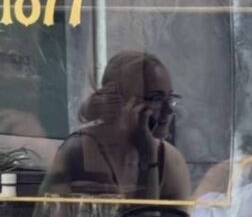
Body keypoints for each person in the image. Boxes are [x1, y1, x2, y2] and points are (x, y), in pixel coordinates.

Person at [39, 51, 192, 212]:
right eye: (156, 99)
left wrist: (148, 154)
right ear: (122, 102)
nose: (169, 110)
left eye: (170, 98)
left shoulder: (168, 159)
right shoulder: (80, 151)